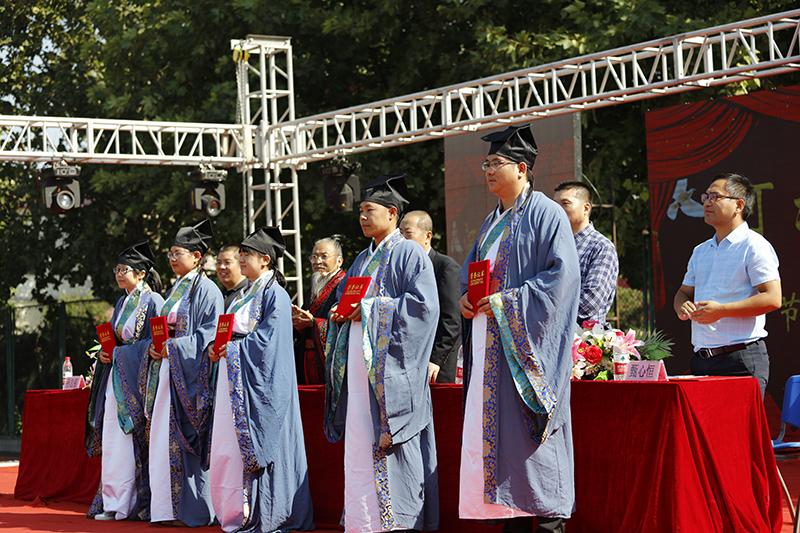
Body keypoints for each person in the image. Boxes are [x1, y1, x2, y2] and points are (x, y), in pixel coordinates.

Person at [458, 124, 580, 533]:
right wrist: (465, 298)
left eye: (497, 163)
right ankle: (510, 514)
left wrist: (505, 302)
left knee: (533, 445)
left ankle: (549, 523)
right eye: (486, 164)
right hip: (488, 348)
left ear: (522, 169)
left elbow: (562, 280)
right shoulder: (490, 221)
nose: (489, 171)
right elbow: (474, 274)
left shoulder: (546, 213)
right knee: (501, 446)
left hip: (525, 355)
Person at [326, 174, 440, 532]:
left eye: (369, 210)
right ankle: (363, 521)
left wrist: (371, 310)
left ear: (392, 213)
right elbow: (350, 299)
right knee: (361, 437)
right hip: (360, 364)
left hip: (390, 371)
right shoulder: (362, 259)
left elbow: (424, 307)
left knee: (391, 443)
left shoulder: (408, 251)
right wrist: (341, 312)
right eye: (360, 211)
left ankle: (399, 522)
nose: (362, 217)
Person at [208, 226, 314, 533]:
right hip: (236, 375)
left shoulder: (275, 293)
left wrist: (233, 349)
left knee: (266, 442)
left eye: (247, 255)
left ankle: (269, 513)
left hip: (261, 382)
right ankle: (237, 511)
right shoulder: (245, 293)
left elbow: (270, 341)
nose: (241, 259)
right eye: (240, 254)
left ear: (265, 260)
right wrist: (217, 347)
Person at [673, 173, 781, 397]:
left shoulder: (754, 245)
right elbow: (683, 293)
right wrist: (682, 305)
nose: (706, 202)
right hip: (701, 361)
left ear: (738, 205)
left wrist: (722, 310)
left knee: (739, 422)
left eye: (715, 196)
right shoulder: (700, 251)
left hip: (740, 360)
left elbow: (772, 298)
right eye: (705, 197)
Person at [145, 218, 223, 527]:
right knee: (162, 439)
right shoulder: (175, 288)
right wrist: (155, 348)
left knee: (186, 442)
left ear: (197, 256)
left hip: (189, 376)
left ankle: (196, 511)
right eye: (170, 253)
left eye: (178, 253)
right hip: (168, 371)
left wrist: (174, 347)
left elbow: (209, 334)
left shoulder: (208, 290)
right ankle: (167, 509)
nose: (173, 258)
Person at [86, 241, 164, 521]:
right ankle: (113, 502)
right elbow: (115, 339)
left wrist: (121, 353)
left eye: (124, 270)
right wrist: (106, 353)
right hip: (117, 375)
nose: (119, 274)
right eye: (116, 270)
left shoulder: (154, 301)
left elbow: (154, 344)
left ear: (141, 273)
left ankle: (131, 505)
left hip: (137, 379)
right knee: (112, 436)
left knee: (129, 440)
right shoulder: (122, 302)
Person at [400, 210, 461, 383]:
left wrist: (435, 359)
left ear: (427, 236)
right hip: (408, 361)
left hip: (436, 365)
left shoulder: (445, 267)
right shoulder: (401, 270)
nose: (402, 240)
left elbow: (451, 319)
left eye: (408, 234)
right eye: (400, 234)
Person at [553, 181, 619, 325]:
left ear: (586, 208)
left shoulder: (601, 247)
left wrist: (545, 313)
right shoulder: (551, 245)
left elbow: (590, 301)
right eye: (555, 205)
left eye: (565, 203)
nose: (557, 210)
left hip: (583, 336)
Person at [292, 236, 346, 384]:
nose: (317, 261)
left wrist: (313, 322)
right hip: (308, 357)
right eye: (314, 257)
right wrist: (298, 323)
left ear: (339, 261)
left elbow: (344, 326)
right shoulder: (315, 287)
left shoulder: (343, 285)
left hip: (331, 361)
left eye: (324, 256)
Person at [216, 244, 249, 310]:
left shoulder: (248, 293)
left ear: (241, 263)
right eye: (219, 263)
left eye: (227, 262)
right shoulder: (218, 295)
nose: (221, 267)